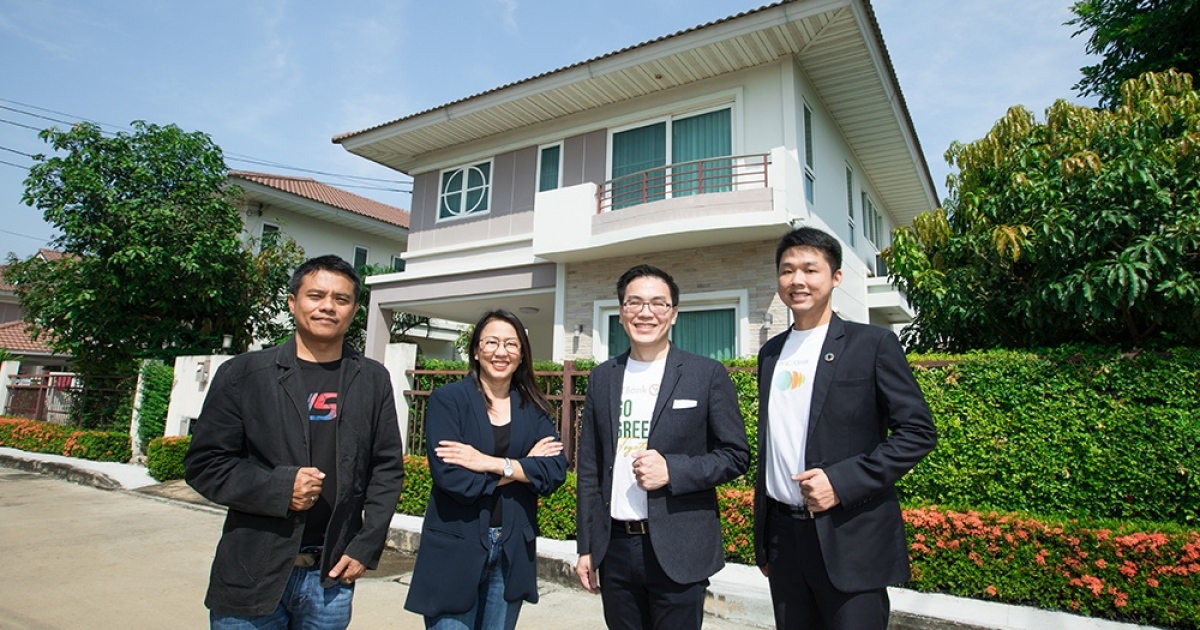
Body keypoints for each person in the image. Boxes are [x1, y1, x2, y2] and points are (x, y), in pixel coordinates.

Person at [184, 255, 405, 629]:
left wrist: (366, 545)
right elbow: (205, 464)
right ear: (292, 301)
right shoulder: (244, 374)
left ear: (354, 310)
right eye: (316, 295)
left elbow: (386, 469)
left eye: (341, 299)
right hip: (251, 570)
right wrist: (280, 487)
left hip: (330, 575)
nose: (328, 307)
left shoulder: (371, 379)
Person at [753, 227, 937, 630]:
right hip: (784, 540)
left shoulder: (871, 344)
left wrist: (840, 482)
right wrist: (764, 540)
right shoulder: (770, 354)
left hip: (850, 538)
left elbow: (918, 432)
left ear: (835, 277)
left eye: (810, 269)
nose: (797, 280)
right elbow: (773, 445)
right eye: (787, 270)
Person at [574, 264, 750, 630]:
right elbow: (590, 467)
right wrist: (586, 546)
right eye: (634, 302)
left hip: (679, 547)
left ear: (673, 313)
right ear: (621, 311)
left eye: (658, 303)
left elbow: (736, 455)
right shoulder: (603, 377)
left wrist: (673, 470)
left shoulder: (706, 374)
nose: (646, 312)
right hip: (615, 548)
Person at [405, 309, 568, 630]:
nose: (501, 352)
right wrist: (523, 468)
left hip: (511, 549)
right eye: (491, 342)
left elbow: (554, 471)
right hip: (455, 547)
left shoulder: (533, 407)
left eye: (511, 344)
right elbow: (454, 478)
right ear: (477, 350)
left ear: (521, 355)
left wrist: (490, 463)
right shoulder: (448, 400)